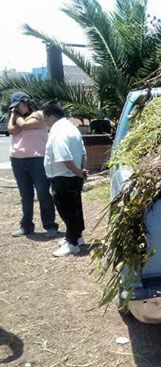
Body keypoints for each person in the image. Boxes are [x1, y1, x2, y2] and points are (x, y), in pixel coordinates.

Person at [7, 91, 58, 238]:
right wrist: (14, 115)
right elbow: (12, 130)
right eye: (14, 107)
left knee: (43, 193)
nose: (17, 109)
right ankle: (26, 226)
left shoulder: (40, 115)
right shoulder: (17, 118)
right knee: (25, 195)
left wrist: (15, 117)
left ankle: (50, 225)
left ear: (26, 102)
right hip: (17, 159)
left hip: (38, 159)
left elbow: (25, 125)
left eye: (18, 106)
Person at [42, 101, 88, 257]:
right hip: (74, 176)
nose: (44, 121)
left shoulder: (58, 131)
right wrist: (81, 171)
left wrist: (77, 172)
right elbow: (83, 153)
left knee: (67, 212)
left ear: (52, 117)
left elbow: (65, 158)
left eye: (45, 117)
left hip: (63, 177)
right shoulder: (71, 128)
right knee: (75, 209)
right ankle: (77, 237)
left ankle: (72, 243)